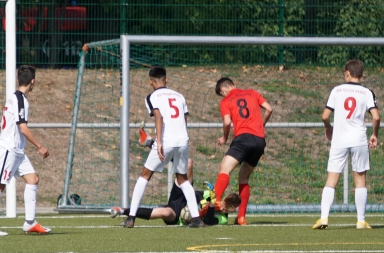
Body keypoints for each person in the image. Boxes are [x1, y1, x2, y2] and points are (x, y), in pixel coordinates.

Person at [122, 67, 203, 228]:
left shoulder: (152, 96)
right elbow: (184, 119)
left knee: (144, 176)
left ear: (150, 82)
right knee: (183, 179)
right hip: (183, 140)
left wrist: (158, 142)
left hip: (166, 141)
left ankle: (131, 217)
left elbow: (158, 117)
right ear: (166, 79)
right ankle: (197, 219)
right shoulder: (179, 96)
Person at [0, 65, 51, 236]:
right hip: (9, 149)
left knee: (33, 179)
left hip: (17, 151)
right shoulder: (20, 100)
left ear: (19, 80)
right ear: (33, 82)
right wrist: (40, 146)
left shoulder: (15, 97)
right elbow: (23, 128)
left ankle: (30, 223)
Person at [313, 59, 380, 230]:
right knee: (360, 179)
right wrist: (374, 134)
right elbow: (376, 117)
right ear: (362, 75)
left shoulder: (337, 90)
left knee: (331, 178)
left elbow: (325, 115)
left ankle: (324, 218)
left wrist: (328, 128)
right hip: (358, 140)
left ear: (347, 73)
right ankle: (360, 221)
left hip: (339, 140)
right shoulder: (367, 92)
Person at [213, 77, 273, 225]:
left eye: (221, 94)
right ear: (233, 84)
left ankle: (216, 203)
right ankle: (241, 218)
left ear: (223, 90)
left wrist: (225, 137)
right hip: (259, 141)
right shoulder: (252, 92)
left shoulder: (226, 101)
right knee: (244, 178)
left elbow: (227, 122)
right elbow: (269, 108)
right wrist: (261, 125)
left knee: (224, 170)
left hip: (243, 138)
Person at [112, 159, 241, 225]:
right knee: (188, 163)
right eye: (223, 205)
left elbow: (208, 222)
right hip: (181, 199)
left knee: (164, 212)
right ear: (223, 199)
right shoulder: (211, 195)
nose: (222, 209)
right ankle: (157, 148)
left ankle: (123, 211)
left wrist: (211, 206)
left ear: (231, 211)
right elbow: (194, 194)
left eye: (226, 210)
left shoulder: (223, 219)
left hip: (178, 215)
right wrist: (204, 201)